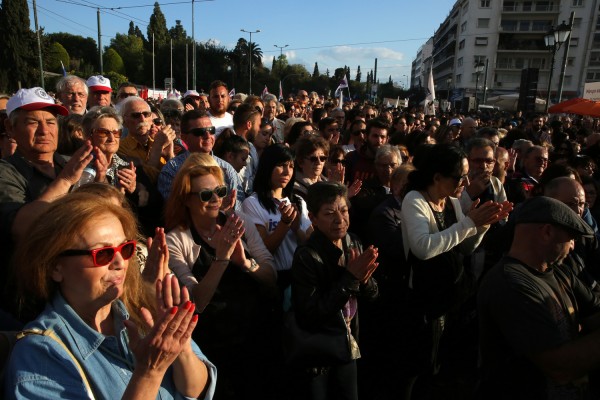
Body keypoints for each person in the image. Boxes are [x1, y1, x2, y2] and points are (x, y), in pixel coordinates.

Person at [5, 192, 216, 399]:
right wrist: (149, 372)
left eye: (125, 249)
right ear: (55, 267)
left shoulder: (144, 310)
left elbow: (196, 391)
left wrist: (181, 348)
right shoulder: (40, 355)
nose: (120, 263)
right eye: (102, 254)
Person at [399, 143, 511, 396]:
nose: (465, 181)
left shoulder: (452, 202)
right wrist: (470, 222)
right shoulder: (414, 199)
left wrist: (482, 225)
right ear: (437, 176)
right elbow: (423, 248)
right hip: (424, 301)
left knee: (442, 367)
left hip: (452, 297)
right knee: (418, 368)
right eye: (460, 176)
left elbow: (466, 246)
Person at [164, 154, 277, 399]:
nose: (215, 199)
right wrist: (222, 259)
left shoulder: (241, 223)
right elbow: (196, 303)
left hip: (255, 337)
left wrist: (245, 263)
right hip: (214, 347)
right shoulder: (176, 241)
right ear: (186, 200)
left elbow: (271, 276)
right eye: (206, 195)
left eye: (220, 191)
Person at [477, 196, 600, 399]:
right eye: (571, 237)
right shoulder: (510, 285)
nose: (573, 246)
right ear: (547, 232)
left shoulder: (559, 271)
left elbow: (594, 313)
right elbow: (560, 367)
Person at [289, 181, 379, 400]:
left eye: (344, 210)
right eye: (329, 213)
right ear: (312, 218)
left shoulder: (352, 242)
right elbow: (310, 315)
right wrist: (349, 279)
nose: (340, 220)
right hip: (318, 352)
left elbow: (374, 295)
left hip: (348, 343)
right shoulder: (306, 256)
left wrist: (364, 281)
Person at [242, 144, 313, 306]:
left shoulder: (298, 202)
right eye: (281, 165)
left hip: (301, 276)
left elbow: (310, 242)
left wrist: (296, 229)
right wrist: (284, 224)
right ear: (267, 167)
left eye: (291, 166)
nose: (287, 172)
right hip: (275, 279)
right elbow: (263, 250)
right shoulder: (253, 204)